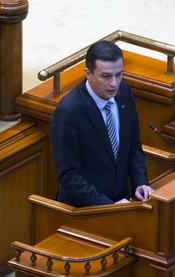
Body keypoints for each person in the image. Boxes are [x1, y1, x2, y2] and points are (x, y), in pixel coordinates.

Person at [50, 40, 153, 207]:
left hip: (122, 201)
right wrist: (107, 207)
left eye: (119, 74)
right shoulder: (69, 111)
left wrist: (140, 182)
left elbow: (133, 145)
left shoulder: (124, 92)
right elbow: (69, 175)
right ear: (88, 73)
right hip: (84, 211)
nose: (114, 83)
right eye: (106, 76)